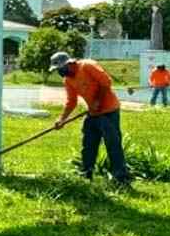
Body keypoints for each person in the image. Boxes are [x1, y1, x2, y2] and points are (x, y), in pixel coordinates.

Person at [52, 52, 130, 185]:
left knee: (112, 143)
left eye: (60, 69)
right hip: (93, 114)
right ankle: (86, 173)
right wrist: (62, 119)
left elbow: (106, 82)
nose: (60, 72)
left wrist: (98, 101)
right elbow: (71, 102)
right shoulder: (68, 80)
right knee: (88, 144)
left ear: (68, 63)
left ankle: (120, 177)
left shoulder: (87, 66)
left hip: (109, 111)